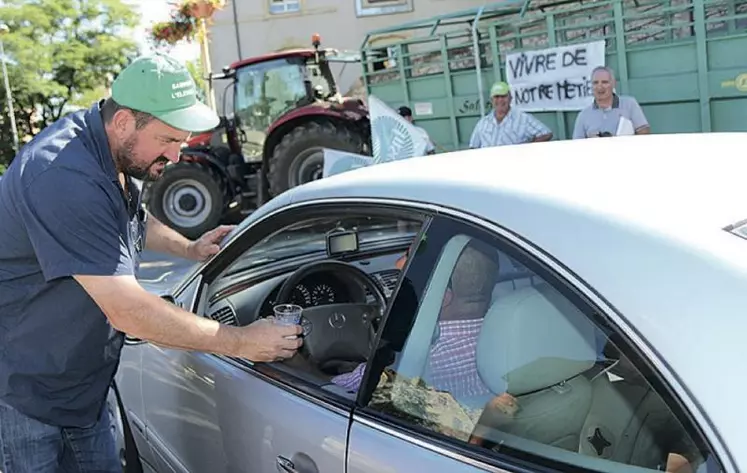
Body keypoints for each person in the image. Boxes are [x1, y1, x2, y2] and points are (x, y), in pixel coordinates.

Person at [0, 53, 302, 472]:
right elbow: (129, 311)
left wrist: (189, 248)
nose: (176, 155)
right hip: (26, 395)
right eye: (167, 140)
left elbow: (131, 219)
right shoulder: (61, 176)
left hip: (83, 387)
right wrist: (242, 341)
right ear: (124, 121)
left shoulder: (114, 154)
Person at [331, 239, 501, 404]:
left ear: (442, 297)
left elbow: (331, 388)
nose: (398, 265)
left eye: (411, 261)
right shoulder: (506, 342)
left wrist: (304, 363)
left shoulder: (411, 363)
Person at [469, 81, 553, 149]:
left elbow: (546, 134)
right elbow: (473, 147)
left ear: (510, 98)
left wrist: (527, 150)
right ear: (491, 100)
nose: (500, 100)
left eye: (503, 96)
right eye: (497, 97)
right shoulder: (483, 123)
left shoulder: (522, 118)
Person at [572, 66, 650, 138]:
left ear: (613, 84)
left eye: (604, 82)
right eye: (595, 83)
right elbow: (576, 146)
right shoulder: (583, 115)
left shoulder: (629, 104)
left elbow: (644, 133)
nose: (600, 87)